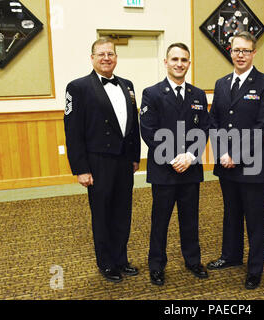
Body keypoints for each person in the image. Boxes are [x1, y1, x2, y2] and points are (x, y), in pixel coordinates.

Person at [64, 38, 141, 283]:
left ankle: (121, 259)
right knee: (102, 214)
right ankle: (106, 263)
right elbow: (73, 131)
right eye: (101, 54)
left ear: (116, 57)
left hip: (123, 162)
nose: (106, 58)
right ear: (92, 58)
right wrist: (81, 169)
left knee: (122, 212)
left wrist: (135, 157)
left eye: (111, 54)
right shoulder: (77, 87)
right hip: (98, 162)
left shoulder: (128, 85)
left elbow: (133, 125)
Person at [207, 32, 264, 290]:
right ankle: (231, 256)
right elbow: (213, 120)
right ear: (231, 51)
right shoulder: (222, 83)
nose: (240, 55)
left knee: (255, 217)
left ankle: (254, 268)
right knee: (231, 213)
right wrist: (222, 152)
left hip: (252, 164)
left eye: (246, 51)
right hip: (225, 163)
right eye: (237, 50)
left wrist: (235, 154)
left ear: (254, 53)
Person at [140, 43, 211, 286]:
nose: (179, 64)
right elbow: (148, 131)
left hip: (191, 170)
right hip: (164, 170)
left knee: (190, 219)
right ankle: (157, 265)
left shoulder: (198, 94)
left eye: (184, 60)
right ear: (166, 62)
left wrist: (190, 157)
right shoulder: (152, 93)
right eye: (174, 59)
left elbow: (204, 128)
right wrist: (173, 158)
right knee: (160, 221)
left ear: (189, 63)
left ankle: (193, 261)